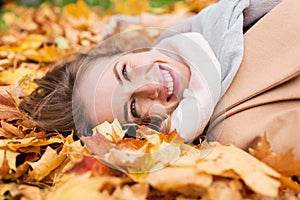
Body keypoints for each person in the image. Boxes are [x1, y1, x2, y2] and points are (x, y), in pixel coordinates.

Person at [20, 0, 298, 156]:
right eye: (133, 109)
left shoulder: (215, 22)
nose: (152, 85)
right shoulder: (243, 135)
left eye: (126, 71)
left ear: (132, 50)